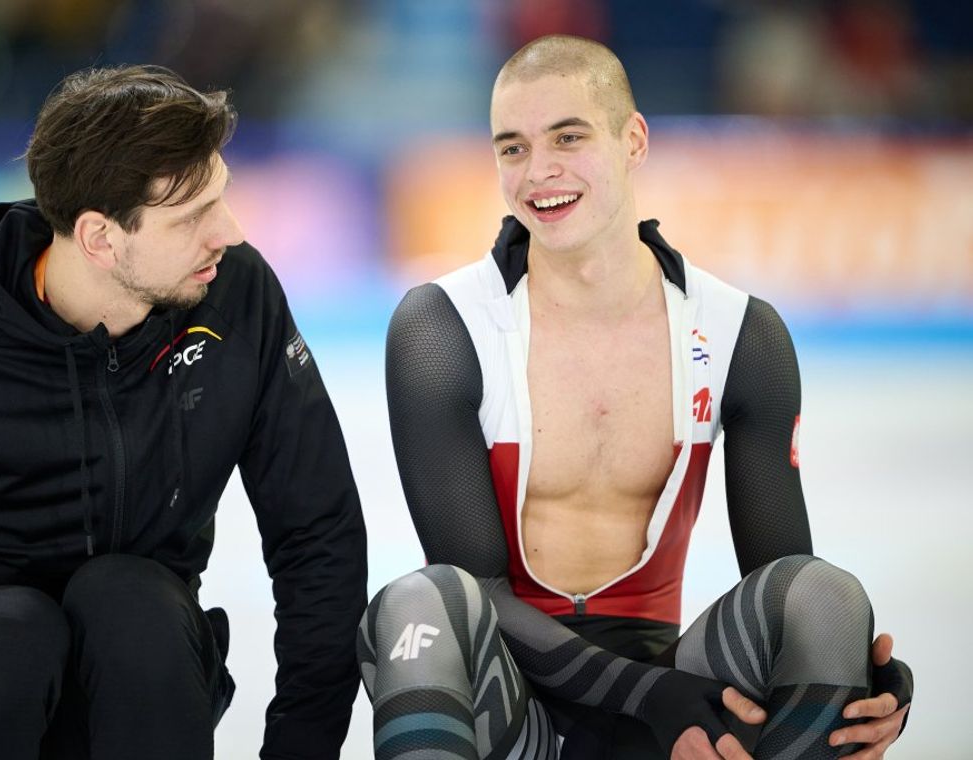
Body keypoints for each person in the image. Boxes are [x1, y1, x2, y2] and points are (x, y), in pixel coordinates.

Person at [357, 35, 912, 760]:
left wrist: (871, 685)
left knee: (825, 595)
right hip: (516, 704)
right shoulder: (443, 327)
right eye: (512, 148)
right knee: (417, 604)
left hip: (670, 696)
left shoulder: (740, 331)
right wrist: (651, 697)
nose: (539, 172)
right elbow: (478, 590)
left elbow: (784, 582)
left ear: (634, 141)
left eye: (568, 137)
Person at [0, 64, 367, 759]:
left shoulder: (239, 299)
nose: (229, 232)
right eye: (192, 216)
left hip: (128, 674)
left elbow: (316, 533)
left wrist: (303, 747)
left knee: (133, 599)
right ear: (98, 238)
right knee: (12, 629)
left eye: (222, 197)